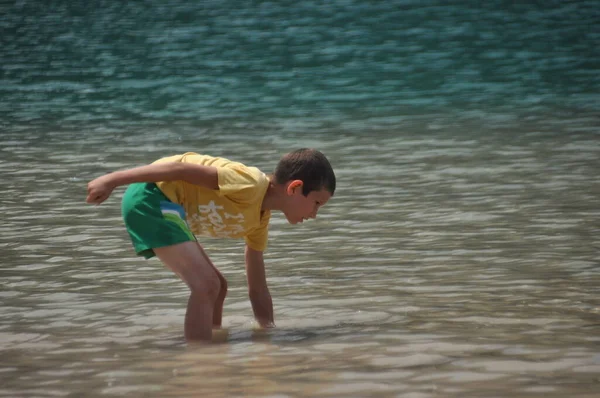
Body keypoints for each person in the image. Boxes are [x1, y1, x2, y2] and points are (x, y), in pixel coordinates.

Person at [86, 148, 336, 342]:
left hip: (170, 208)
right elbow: (178, 170)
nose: (315, 213)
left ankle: (213, 347)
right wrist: (112, 180)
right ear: (295, 188)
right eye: (317, 203)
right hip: (150, 197)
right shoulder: (248, 184)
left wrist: (267, 333)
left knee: (218, 287)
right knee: (206, 285)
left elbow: (258, 288)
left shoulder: (259, 220)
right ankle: (198, 359)